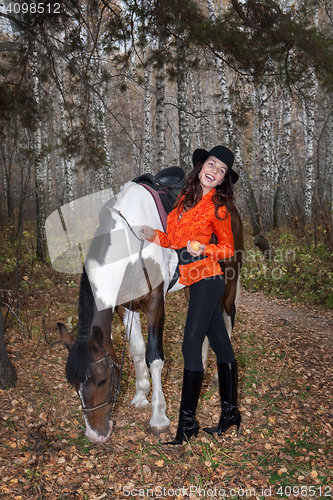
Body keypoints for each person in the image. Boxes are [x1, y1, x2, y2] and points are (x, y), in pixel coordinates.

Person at [139, 145, 241, 445]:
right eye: (212, 164)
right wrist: (153, 235)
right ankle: (231, 413)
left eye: (221, 170)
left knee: (190, 345)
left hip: (208, 278)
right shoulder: (183, 198)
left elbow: (228, 249)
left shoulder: (219, 207)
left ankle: (187, 425)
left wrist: (204, 248)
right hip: (192, 279)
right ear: (201, 167)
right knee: (222, 344)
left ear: (223, 180)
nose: (215, 172)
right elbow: (173, 240)